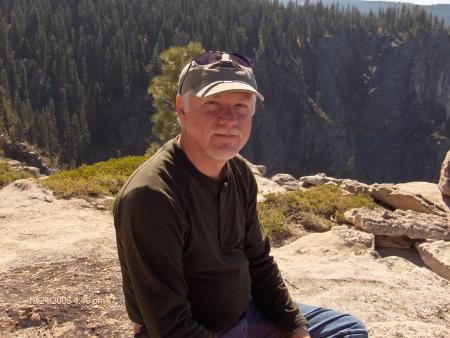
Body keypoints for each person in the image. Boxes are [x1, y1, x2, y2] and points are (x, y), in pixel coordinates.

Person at [113, 51, 368, 338]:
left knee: (348, 331)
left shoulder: (238, 173)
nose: (229, 120)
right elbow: (169, 325)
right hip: (191, 331)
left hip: (247, 314)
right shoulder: (151, 197)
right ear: (181, 109)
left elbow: (259, 262)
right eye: (212, 104)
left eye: (240, 106)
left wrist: (296, 327)